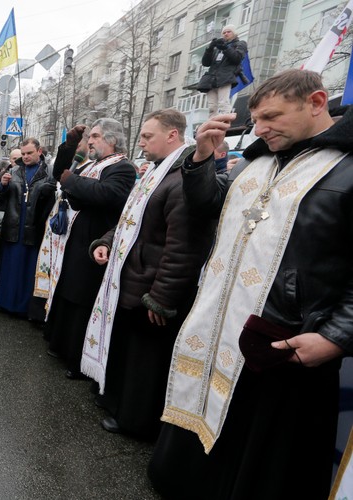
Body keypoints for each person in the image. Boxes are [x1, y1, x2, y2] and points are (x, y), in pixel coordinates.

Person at [149, 69, 353, 500]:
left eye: (271, 117)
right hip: (222, 324)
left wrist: (336, 337)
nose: (259, 129)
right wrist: (203, 159)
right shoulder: (257, 160)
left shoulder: (347, 168)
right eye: (256, 119)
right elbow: (208, 208)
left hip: (287, 340)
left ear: (316, 103)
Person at [85, 109, 213, 440]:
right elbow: (132, 222)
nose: (140, 143)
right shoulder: (156, 173)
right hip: (133, 280)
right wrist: (106, 241)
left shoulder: (181, 179)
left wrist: (161, 297)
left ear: (173, 135)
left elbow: (183, 248)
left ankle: (135, 420)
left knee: (146, 361)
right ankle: (117, 402)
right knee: (129, 352)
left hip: (150, 288)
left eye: (147, 136)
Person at [38, 120, 136, 379]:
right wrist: (69, 147)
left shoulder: (123, 167)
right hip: (75, 239)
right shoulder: (93, 164)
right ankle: (60, 345)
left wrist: (73, 182)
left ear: (111, 140)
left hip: (95, 241)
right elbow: (62, 175)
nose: (90, 141)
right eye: (89, 137)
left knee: (82, 299)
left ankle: (77, 359)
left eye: (95, 136)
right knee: (68, 293)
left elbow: (107, 194)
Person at [0, 137, 55, 317]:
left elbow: (52, 199)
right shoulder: (14, 170)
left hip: (33, 227)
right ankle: (6, 303)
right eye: (23, 154)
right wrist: (3, 186)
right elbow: (1, 199)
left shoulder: (48, 172)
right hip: (13, 226)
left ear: (39, 151)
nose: (26, 157)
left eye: (30, 153)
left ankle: (26, 307)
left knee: (28, 269)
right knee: (11, 267)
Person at [196, 25, 247, 115]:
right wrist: (210, 48)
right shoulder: (218, 47)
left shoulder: (240, 44)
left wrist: (226, 48)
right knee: (212, 107)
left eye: (228, 32)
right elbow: (205, 63)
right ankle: (213, 125)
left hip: (225, 78)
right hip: (211, 79)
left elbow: (237, 58)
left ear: (234, 33)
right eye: (224, 32)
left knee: (223, 104)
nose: (226, 34)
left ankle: (226, 124)